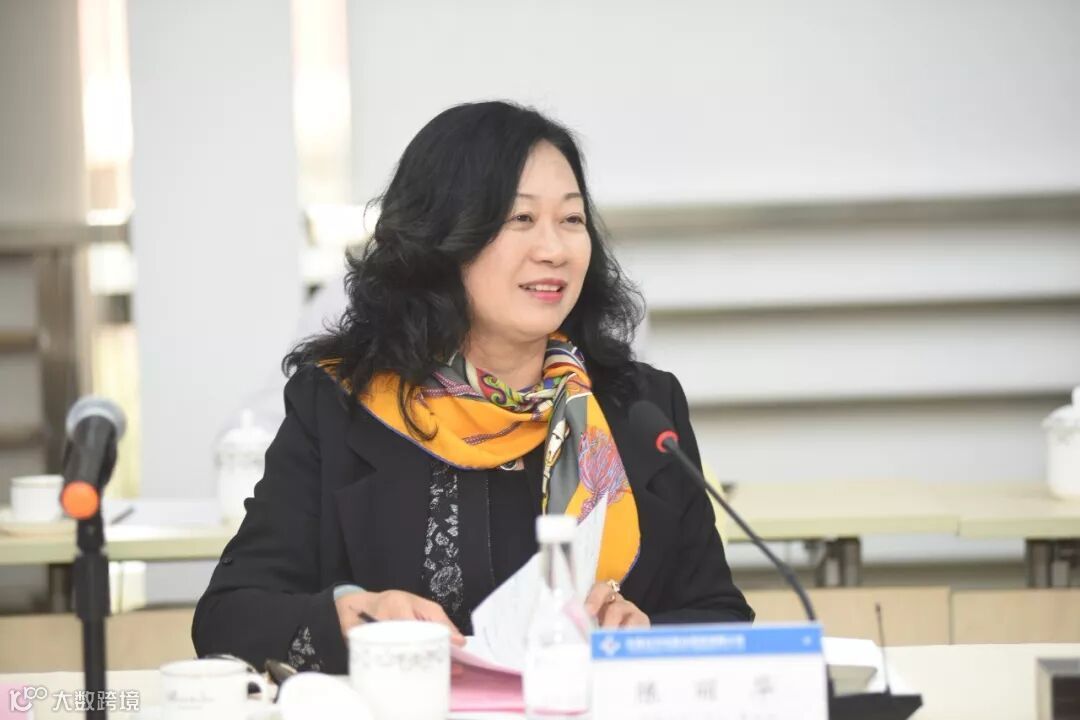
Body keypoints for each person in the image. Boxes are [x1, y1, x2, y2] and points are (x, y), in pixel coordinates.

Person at [192, 100, 753, 674]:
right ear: (443, 237)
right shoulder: (340, 407)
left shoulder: (640, 408)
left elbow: (721, 617)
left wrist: (645, 634)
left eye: (571, 219)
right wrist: (355, 615)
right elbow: (227, 618)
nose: (554, 249)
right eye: (520, 219)